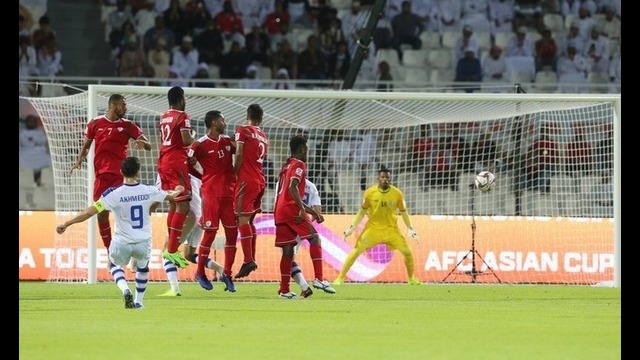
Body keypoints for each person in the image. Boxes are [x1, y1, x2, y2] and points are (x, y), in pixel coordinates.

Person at [56, 156, 184, 309]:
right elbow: (170, 195)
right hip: (143, 241)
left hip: (121, 241)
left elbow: (90, 212)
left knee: (114, 265)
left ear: (121, 172)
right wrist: (178, 190)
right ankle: (139, 302)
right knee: (143, 268)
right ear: (138, 173)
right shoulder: (149, 190)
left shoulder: (113, 194)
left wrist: (67, 223)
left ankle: (125, 290)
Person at [69, 94, 152, 256]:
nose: (125, 108)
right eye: (123, 105)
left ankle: (136, 250)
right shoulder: (95, 123)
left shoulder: (129, 126)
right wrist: (79, 160)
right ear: (113, 105)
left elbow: (147, 144)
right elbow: (86, 145)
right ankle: (110, 253)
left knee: (127, 216)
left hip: (122, 179)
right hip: (102, 178)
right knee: (101, 215)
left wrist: (144, 143)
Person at [333, 166, 421, 286]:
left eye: (388, 178)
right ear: (378, 179)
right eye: (383, 177)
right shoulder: (370, 193)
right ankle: (340, 278)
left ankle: (411, 279)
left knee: (407, 252)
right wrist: (352, 226)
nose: (385, 180)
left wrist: (410, 228)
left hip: (391, 230)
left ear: (390, 179)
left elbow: (404, 212)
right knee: (356, 251)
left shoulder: (397, 194)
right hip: (372, 230)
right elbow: (362, 211)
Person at [188, 110, 238, 292]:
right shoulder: (200, 144)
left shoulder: (226, 142)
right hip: (211, 195)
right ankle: (200, 272)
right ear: (214, 122)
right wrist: (203, 177)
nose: (225, 121)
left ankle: (228, 274)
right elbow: (187, 162)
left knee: (232, 235)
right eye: (222, 119)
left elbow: (240, 152)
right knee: (210, 233)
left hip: (229, 195)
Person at [273, 136, 323, 299]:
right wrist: (302, 209)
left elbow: (286, 191)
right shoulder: (299, 165)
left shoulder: (286, 165)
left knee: (287, 251)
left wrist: (312, 212)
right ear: (302, 150)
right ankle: (319, 279)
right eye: (307, 149)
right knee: (315, 238)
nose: (307, 152)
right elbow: (293, 186)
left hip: (279, 211)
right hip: (291, 210)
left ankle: (285, 290)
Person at [157, 86, 195, 269]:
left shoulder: (163, 116)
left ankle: (171, 249)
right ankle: (171, 250)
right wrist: (198, 141)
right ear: (180, 99)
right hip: (176, 163)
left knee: (173, 203)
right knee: (184, 205)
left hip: (163, 161)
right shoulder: (182, 115)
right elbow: (187, 141)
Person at [232, 103, 269, 279]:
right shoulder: (263, 136)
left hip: (246, 180)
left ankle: (248, 260)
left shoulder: (243, 130)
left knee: (242, 219)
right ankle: (251, 258)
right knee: (249, 221)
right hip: (260, 180)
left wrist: (234, 172)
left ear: (247, 115)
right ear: (261, 119)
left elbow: (239, 153)